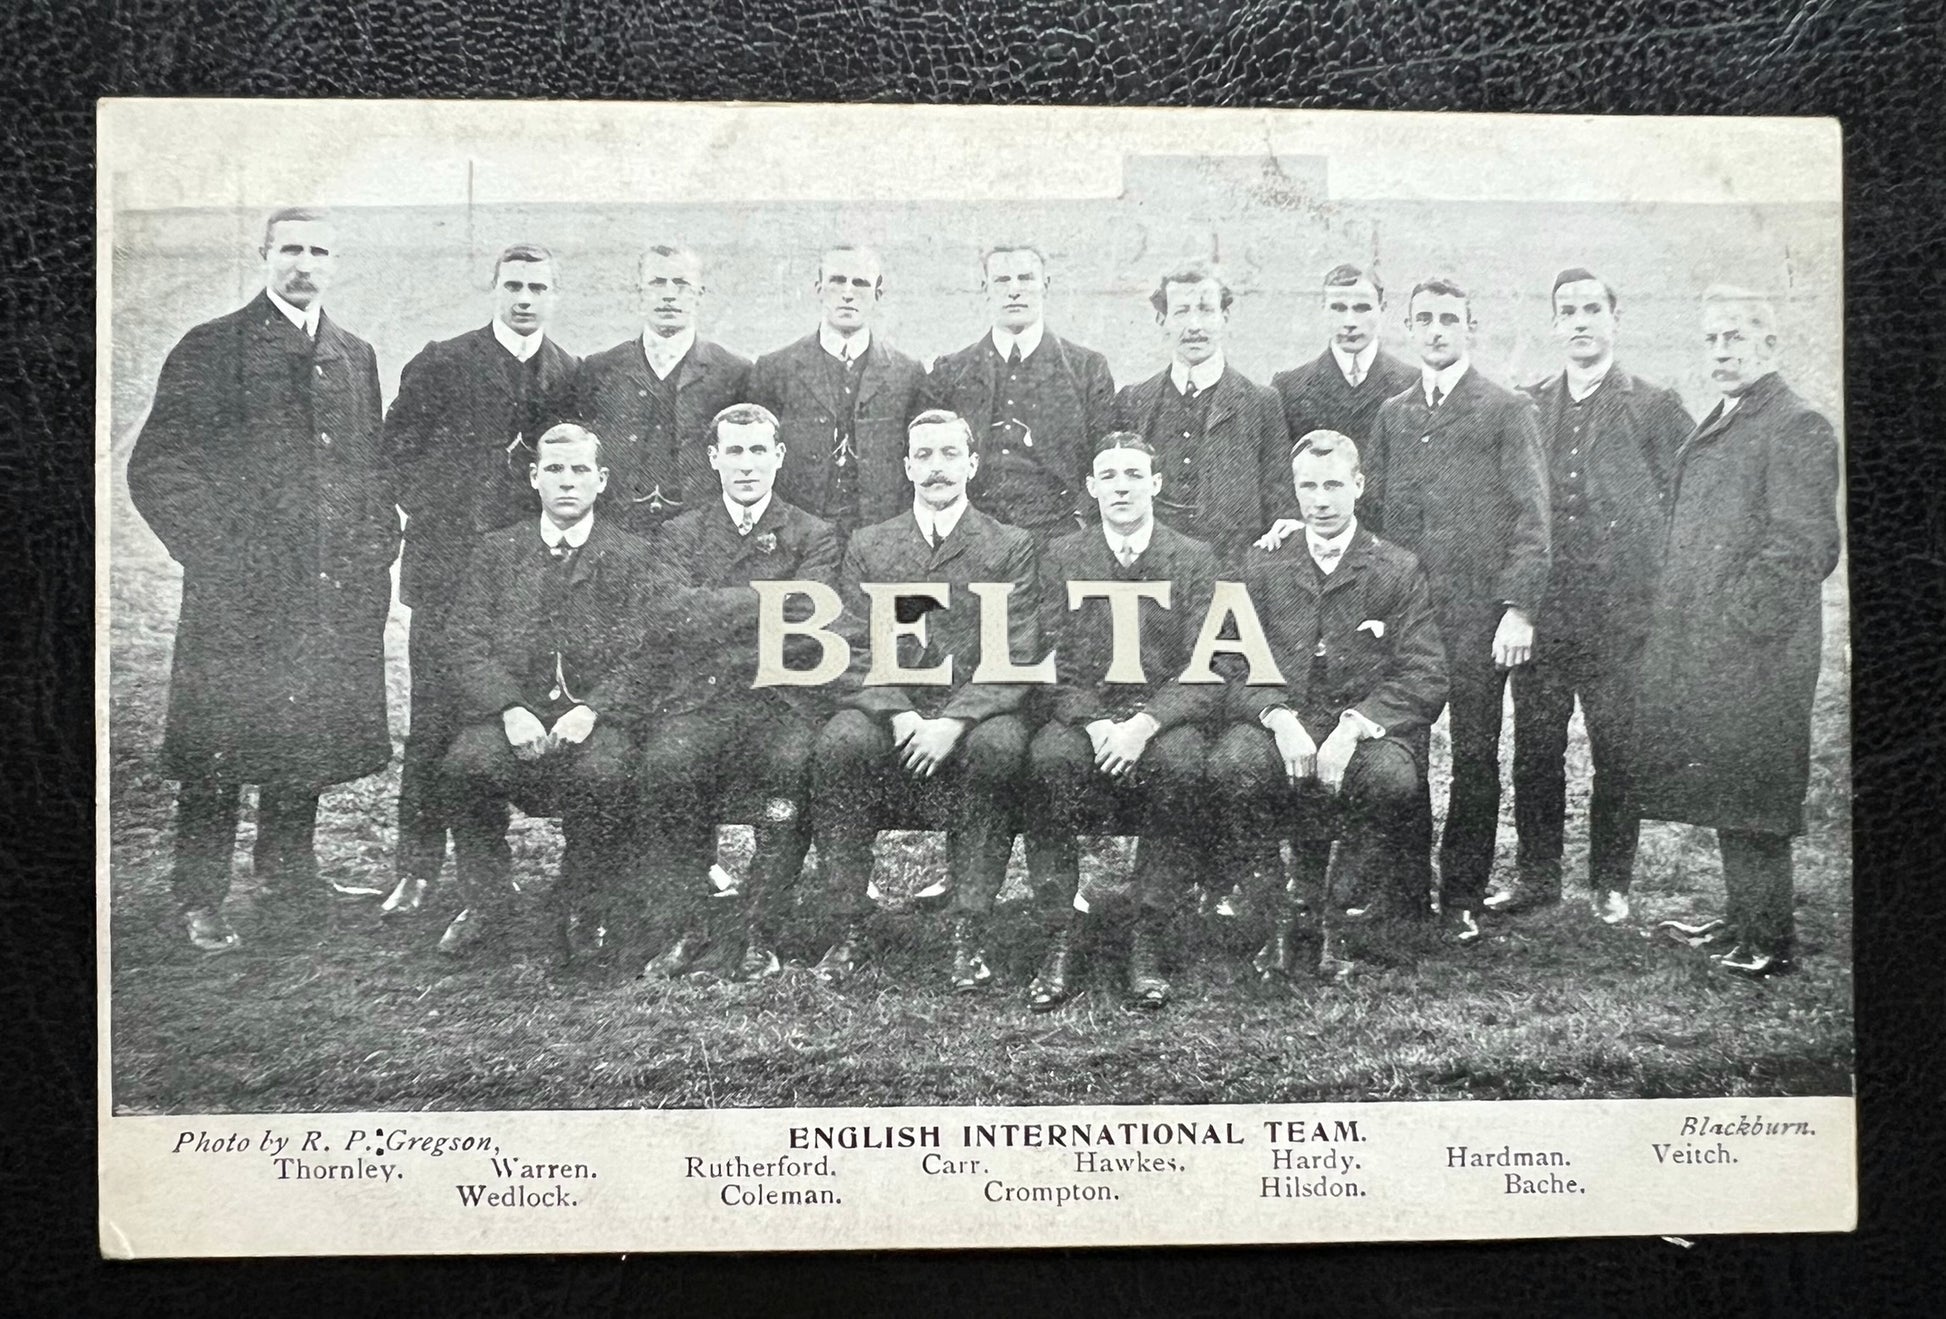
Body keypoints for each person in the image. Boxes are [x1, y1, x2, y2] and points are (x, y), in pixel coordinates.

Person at [127, 206, 396, 954]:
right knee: (219, 744)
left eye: (318, 250)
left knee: (303, 732)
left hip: (327, 589)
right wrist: (219, 555)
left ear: (335, 262)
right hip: (237, 596)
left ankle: (288, 870)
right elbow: (159, 466)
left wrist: (376, 547)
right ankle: (200, 894)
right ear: (264, 255)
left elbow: (370, 469)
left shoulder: (354, 352)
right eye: (290, 249)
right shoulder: (213, 347)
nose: (304, 263)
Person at [1642, 287, 1841, 979]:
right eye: (1712, 339)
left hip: (1761, 649)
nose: (1722, 350)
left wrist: (1739, 620)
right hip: (1719, 647)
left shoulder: (1795, 423)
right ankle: (1739, 919)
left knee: (1757, 786)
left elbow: (1804, 544)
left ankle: (1769, 938)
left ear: (1770, 345)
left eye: (1736, 337)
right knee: (1731, 780)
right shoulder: (1728, 414)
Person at [380, 242, 583, 919]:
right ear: (494, 289)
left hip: (523, 584)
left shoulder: (568, 372)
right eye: (515, 286)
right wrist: (447, 513)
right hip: (447, 573)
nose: (526, 299)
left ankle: (492, 868)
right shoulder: (444, 360)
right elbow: (395, 457)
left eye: (538, 288)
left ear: (554, 295)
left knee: (501, 714)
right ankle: (416, 867)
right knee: (433, 719)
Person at [809, 409, 1042, 991]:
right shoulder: (870, 544)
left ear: (972, 463)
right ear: (907, 466)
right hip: (894, 708)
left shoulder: (1010, 546)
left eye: (948, 455)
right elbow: (848, 645)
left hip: (973, 712)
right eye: (924, 457)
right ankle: (848, 925)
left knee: (1000, 746)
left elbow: (1015, 651)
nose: (936, 469)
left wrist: (955, 721)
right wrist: (902, 712)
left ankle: (969, 927)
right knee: (841, 741)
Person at [1207, 432, 1447, 984]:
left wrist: (1354, 728)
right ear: (1293, 491)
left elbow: (1425, 674)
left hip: (1360, 723)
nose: (1321, 500)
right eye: (1308, 486)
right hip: (1281, 719)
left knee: (1389, 776)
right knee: (1230, 766)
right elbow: (1226, 659)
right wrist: (1277, 716)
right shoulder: (1262, 564)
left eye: (1334, 485)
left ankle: (1336, 917)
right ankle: (1275, 912)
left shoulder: (1396, 568)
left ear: (1359, 486)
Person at [1492, 269, 1692, 925]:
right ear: (1554, 323)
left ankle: (1611, 881)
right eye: (1567, 311)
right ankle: (1538, 877)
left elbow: (1685, 501)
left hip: (1622, 617)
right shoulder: (1528, 404)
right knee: (1536, 750)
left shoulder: (1655, 405)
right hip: (1546, 613)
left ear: (1615, 315)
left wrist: (1661, 590)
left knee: (1617, 751)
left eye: (1591, 309)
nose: (1580, 321)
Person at [1362, 276, 1551, 942]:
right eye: (1424, 320)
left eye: (1449, 319)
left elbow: (1532, 516)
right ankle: (1405, 890)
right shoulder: (1395, 413)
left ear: (1470, 327)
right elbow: (1376, 522)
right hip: (1409, 621)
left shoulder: (1506, 409)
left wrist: (1518, 608)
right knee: (1401, 748)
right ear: (1409, 329)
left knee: (1475, 755)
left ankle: (1463, 895)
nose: (1436, 330)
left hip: (1478, 619)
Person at [633, 404, 842, 981]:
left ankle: (760, 929)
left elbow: (809, 619)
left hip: (780, 700)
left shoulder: (815, 534)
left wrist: (715, 607)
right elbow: (667, 615)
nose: (745, 465)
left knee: (792, 771)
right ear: (713, 458)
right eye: (734, 451)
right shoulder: (679, 532)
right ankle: (684, 925)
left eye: (757, 451)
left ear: (778, 456)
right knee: (668, 765)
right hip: (700, 700)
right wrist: (767, 599)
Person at [436, 424, 655, 959]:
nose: (567, 482)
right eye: (554, 469)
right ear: (534, 477)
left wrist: (595, 710)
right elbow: (463, 640)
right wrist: (509, 708)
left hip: (594, 721)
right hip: (516, 718)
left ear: (602, 480)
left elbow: (650, 652)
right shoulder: (496, 551)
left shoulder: (633, 555)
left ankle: (586, 900)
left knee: (604, 773)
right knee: (466, 764)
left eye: (581, 470)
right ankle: (486, 900)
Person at [1024, 433, 1220, 1011]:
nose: (1122, 486)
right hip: (1087, 714)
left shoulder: (1193, 557)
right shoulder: (1062, 556)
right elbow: (1045, 655)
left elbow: (1207, 665)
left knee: (1184, 764)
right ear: (1090, 487)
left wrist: (1145, 724)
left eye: (1134, 474)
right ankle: (1059, 930)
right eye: (1108, 476)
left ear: (1156, 483)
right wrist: (1092, 722)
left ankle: (1148, 933)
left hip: (1158, 720)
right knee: (1048, 760)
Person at [919, 244, 1116, 542]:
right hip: (970, 533)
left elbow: (1106, 456)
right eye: (1001, 280)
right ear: (985, 289)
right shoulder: (951, 371)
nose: (1014, 290)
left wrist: (1081, 521)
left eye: (1025, 278)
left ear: (1045, 286)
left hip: (1059, 534)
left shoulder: (1087, 369)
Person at [1109, 261, 1288, 565]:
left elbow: (1279, 500)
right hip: (1152, 570)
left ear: (1224, 317)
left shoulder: (1261, 402)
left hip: (1233, 569)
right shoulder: (1134, 400)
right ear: (1161, 319)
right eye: (1181, 312)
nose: (1194, 325)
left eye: (1206, 310)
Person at [746, 245, 927, 542]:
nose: (847, 293)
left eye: (860, 283)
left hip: (881, 535)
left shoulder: (908, 373)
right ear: (818, 289)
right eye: (837, 281)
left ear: (878, 294)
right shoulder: (775, 369)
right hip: (798, 534)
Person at [574, 243, 750, 534]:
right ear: (639, 294)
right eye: (657, 283)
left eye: (681, 284)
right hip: (617, 534)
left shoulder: (733, 371)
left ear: (699, 295)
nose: (669, 295)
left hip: (702, 534)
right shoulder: (599, 369)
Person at [1270, 263, 1419, 474]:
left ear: (1382, 308)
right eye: (1338, 308)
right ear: (1323, 308)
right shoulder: (1287, 389)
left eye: (1362, 308)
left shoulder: (1414, 385)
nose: (1350, 321)